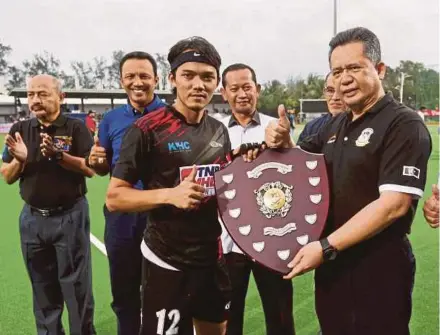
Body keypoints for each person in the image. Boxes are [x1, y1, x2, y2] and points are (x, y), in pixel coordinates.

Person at [265, 27, 432, 335]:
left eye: (355, 67)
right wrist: (283, 140)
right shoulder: (335, 124)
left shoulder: (403, 123)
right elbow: (301, 168)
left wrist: (326, 246)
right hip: (333, 267)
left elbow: (393, 205)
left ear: (380, 69)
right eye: (337, 71)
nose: (344, 79)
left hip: (378, 267)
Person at [105, 36, 260, 335]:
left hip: (211, 257)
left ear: (216, 84)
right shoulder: (146, 129)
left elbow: (220, 179)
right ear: (173, 78)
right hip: (166, 259)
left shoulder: (218, 130)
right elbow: (114, 197)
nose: (198, 85)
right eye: (188, 75)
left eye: (207, 77)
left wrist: (247, 163)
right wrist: (170, 195)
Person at [0, 74, 96, 335]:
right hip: (31, 219)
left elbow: (90, 169)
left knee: (77, 289)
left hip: (70, 216)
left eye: (42, 93)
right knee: (42, 289)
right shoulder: (20, 129)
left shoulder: (76, 128)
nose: (35, 100)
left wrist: (59, 156)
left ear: (61, 97)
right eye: (31, 95)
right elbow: (7, 176)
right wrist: (20, 160)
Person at [86, 51, 166, 335]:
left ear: (157, 79)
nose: (137, 82)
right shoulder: (111, 119)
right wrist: (96, 162)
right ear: (121, 81)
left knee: (163, 292)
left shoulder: (172, 116)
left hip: (162, 215)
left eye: (144, 76)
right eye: (130, 76)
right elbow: (102, 166)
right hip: (122, 217)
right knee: (124, 291)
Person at [219, 63, 295, 335]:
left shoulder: (275, 127)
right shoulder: (214, 131)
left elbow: (295, 177)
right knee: (229, 322)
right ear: (223, 92)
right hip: (228, 240)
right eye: (235, 88)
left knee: (281, 319)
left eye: (247, 87)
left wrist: (286, 144)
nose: (242, 94)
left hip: (272, 240)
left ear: (258, 89)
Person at [298, 72, 346, 142]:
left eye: (341, 90)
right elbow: (299, 152)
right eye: (330, 90)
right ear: (324, 92)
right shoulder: (311, 127)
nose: (335, 97)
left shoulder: (363, 128)